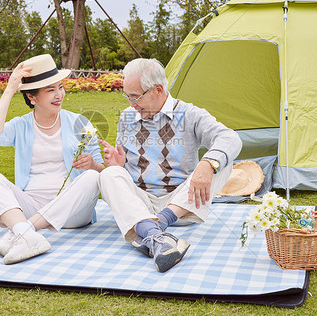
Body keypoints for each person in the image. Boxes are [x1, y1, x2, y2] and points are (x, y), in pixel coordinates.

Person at [98, 58, 242, 272]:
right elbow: (125, 168)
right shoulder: (128, 117)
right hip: (141, 204)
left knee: (223, 162)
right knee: (108, 176)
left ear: (158, 89)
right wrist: (120, 165)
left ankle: (153, 228)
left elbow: (230, 138)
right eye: (127, 97)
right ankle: (158, 236)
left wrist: (207, 164)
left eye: (135, 97)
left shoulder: (190, 114)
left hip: (179, 206)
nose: (131, 104)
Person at [0, 54, 105, 265]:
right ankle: (26, 233)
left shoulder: (80, 122)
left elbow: (102, 172)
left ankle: (22, 231)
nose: (59, 95)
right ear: (32, 97)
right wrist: (10, 90)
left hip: (72, 212)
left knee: (91, 177)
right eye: (50, 90)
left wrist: (92, 164)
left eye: (60, 87)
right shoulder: (21, 125)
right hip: (32, 207)